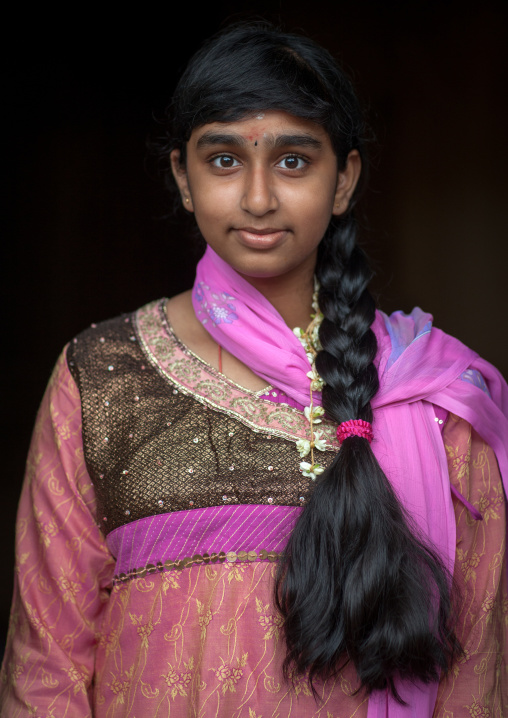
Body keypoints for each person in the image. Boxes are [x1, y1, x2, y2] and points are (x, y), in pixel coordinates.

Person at [1, 23, 507, 718]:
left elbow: (475, 675)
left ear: (344, 179)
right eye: (224, 160)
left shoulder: (433, 396)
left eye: (294, 161)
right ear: (183, 176)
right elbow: (45, 665)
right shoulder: (101, 375)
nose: (260, 198)